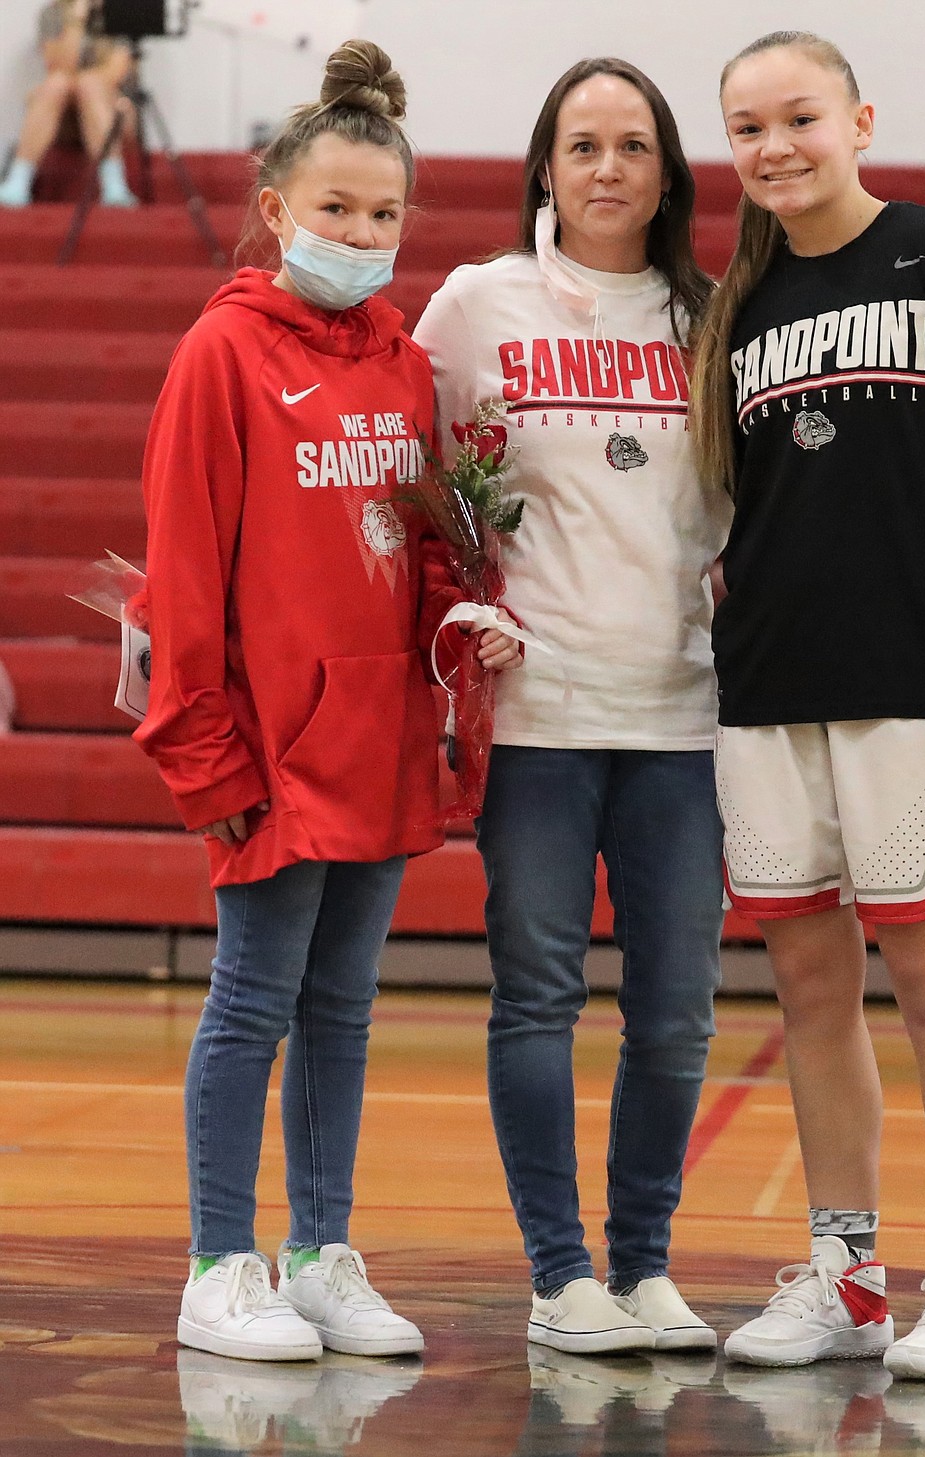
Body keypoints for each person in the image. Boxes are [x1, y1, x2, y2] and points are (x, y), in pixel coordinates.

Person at [413, 55, 925, 1358]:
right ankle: (607, 1271)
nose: (608, 168)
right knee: (598, 994)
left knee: (762, 997)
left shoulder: (722, 303)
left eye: (636, 144)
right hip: (605, 713)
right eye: (582, 145)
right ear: (543, 164)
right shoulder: (505, 305)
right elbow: (401, 449)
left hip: (720, 706)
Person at [133, 38, 519, 1363]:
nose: (360, 233)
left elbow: (410, 545)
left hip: (377, 741)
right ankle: (215, 1262)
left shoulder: (402, 361)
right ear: (275, 210)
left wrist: (459, 622)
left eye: (383, 213)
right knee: (252, 997)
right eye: (334, 209)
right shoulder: (221, 357)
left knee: (345, 1006)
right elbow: (183, 585)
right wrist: (208, 758)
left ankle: (318, 1252)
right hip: (265, 749)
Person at [689, 30, 925, 1382]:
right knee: (803, 979)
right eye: (746, 126)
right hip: (767, 685)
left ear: (858, 120)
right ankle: (846, 1274)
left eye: (798, 117)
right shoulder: (735, 298)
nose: (774, 144)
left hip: (912, 683)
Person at [0, 0, 137, 208]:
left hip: (113, 110)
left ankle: (114, 185)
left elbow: (115, 73)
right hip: (64, 117)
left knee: (89, 84)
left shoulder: (122, 13)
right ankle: (18, 181)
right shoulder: (53, 14)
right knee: (55, 85)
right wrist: (76, 19)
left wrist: (82, 83)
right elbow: (58, 65)